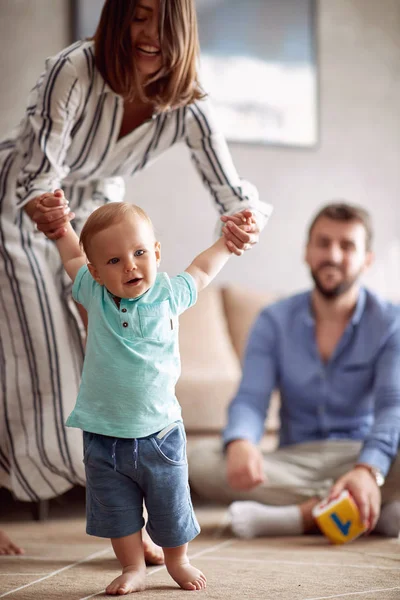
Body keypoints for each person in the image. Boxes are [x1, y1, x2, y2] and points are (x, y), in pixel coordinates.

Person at [0, 0, 271, 548]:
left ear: (183, 28)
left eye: (161, 20)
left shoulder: (189, 105)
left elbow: (232, 192)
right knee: (42, 359)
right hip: (25, 210)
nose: (148, 34)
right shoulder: (74, 69)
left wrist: (242, 224)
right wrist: (60, 231)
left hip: (96, 222)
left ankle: (132, 522)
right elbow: (39, 176)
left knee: (91, 362)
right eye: (138, 15)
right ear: (118, 17)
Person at [32, 195, 240, 594]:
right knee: (117, 511)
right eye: (113, 261)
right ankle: (133, 566)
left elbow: (201, 270)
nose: (129, 264)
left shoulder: (169, 292)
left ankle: (178, 560)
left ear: (156, 253)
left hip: (160, 432)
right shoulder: (93, 294)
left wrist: (227, 245)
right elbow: (74, 258)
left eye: (140, 252)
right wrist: (61, 232)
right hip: (103, 434)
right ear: (96, 272)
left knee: (171, 505)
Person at [188, 203, 400, 540]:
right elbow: (251, 399)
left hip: (360, 454)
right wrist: (242, 442)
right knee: (197, 460)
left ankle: (303, 515)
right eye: (323, 242)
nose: (332, 254)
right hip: (292, 460)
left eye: (347, 246)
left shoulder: (391, 322)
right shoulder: (274, 320)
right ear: (307, 251)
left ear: (367, 259)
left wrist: (368, 469)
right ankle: (365, 509)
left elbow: (393, 408)